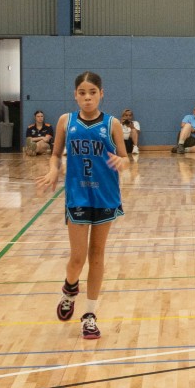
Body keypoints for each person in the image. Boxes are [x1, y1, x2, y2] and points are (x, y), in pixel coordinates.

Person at [37, 71, 127, 340]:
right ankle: (70, 288)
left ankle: (90, 315)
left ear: (101, 94)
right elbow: (55, 154)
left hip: (105, 196)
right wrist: (54, 170)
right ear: (75, 95)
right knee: (77, 258)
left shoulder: (112, 124)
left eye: (92, 92)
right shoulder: (66, 121)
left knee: (97, 255)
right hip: (77, 195)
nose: (87, 98)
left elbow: (125, 156)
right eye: (82, 93)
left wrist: (122, 162)